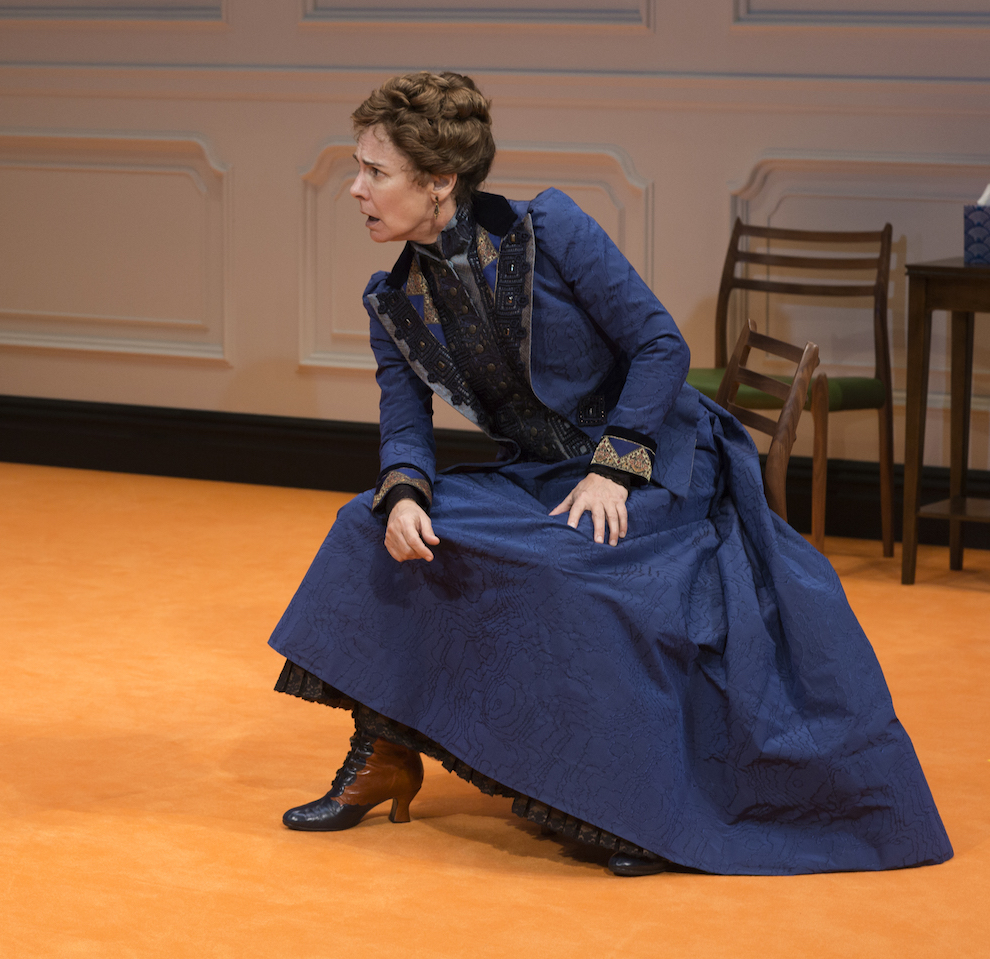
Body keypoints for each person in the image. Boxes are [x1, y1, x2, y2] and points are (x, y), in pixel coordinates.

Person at [268, 71, 952, 876]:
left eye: (375, 172)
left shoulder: (551, 229)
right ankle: (383, 752)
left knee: (576, 573)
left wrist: (615, 468)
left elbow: (661, 346)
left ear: (440, 180)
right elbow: (404, 418)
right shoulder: (394, 299)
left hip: (655, 458)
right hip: (543, 472)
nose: (356, 189)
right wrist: (407, 491)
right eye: (359, 168)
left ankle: (624, 809)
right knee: (369, 525)